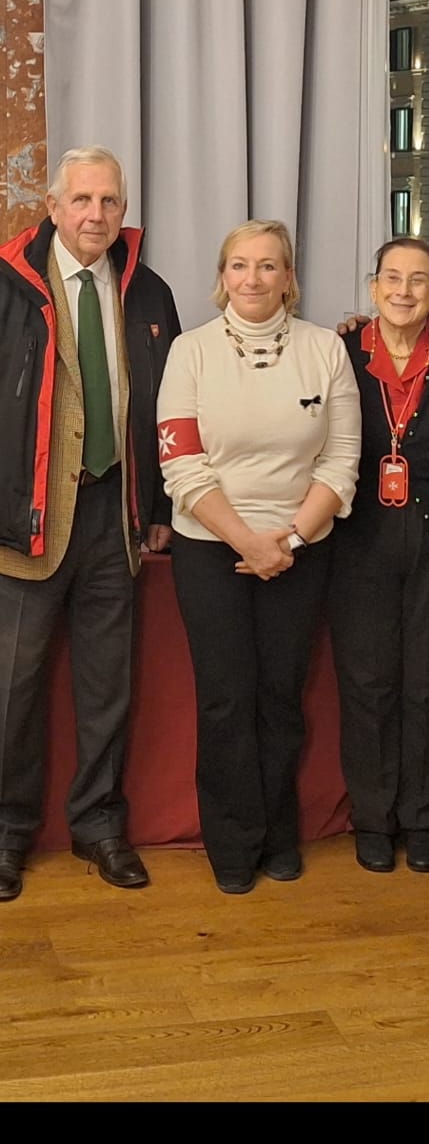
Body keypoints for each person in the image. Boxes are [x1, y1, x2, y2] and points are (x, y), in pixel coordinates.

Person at [156, 219, 361, 895]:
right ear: (223, 276)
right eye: (240, 265)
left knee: (281, 697)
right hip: (210, 549)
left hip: (301, 550)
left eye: (268, 265)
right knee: (225, 699)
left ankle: (278, 834)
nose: (253, 278)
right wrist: (247, 541)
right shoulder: (189, 352)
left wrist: (291, 540)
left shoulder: (324, 350)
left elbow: (342, 460)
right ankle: (232, 840)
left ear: (288, 278)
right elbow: (181, 463)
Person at [0, 145, 181, 903]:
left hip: (116, 514)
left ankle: (99, 823)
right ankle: (7, 832)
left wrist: (160, 506)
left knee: (108, 685)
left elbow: (171, 406)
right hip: (26, 519)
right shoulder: (9, 285)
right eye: (81, 200)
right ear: (52, 206)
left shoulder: (148, 291)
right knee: (13, 689)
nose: (95, 215)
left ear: (123, 209)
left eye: (109, 201)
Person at [330, 236, 429, 875]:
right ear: (373, 288)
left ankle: (425, 817)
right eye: (392, 278)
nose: (403, 290)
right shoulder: (340, 352)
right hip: (357, 536)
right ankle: (373, 818)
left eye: (418, 280)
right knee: (366, 683)